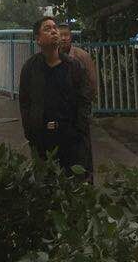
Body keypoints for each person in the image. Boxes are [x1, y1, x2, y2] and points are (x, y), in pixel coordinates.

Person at [18, 16, 93, 178]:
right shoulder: (30, 69)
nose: (53, 31)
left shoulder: (74, 66)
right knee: (46, 185)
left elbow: (84, 100)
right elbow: (25, 103)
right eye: (47, 29)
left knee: (75, 184)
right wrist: (31, 132)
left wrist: (80, 129)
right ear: (38, 39)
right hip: (42, 140)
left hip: (71, 139)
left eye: (55, 28)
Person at [57, 22, 98, 103]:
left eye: (66, 35)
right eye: (60, 35)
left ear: (71, 37)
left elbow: (92, 81)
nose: (63, 38)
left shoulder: (83, 56)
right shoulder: (52, 57)